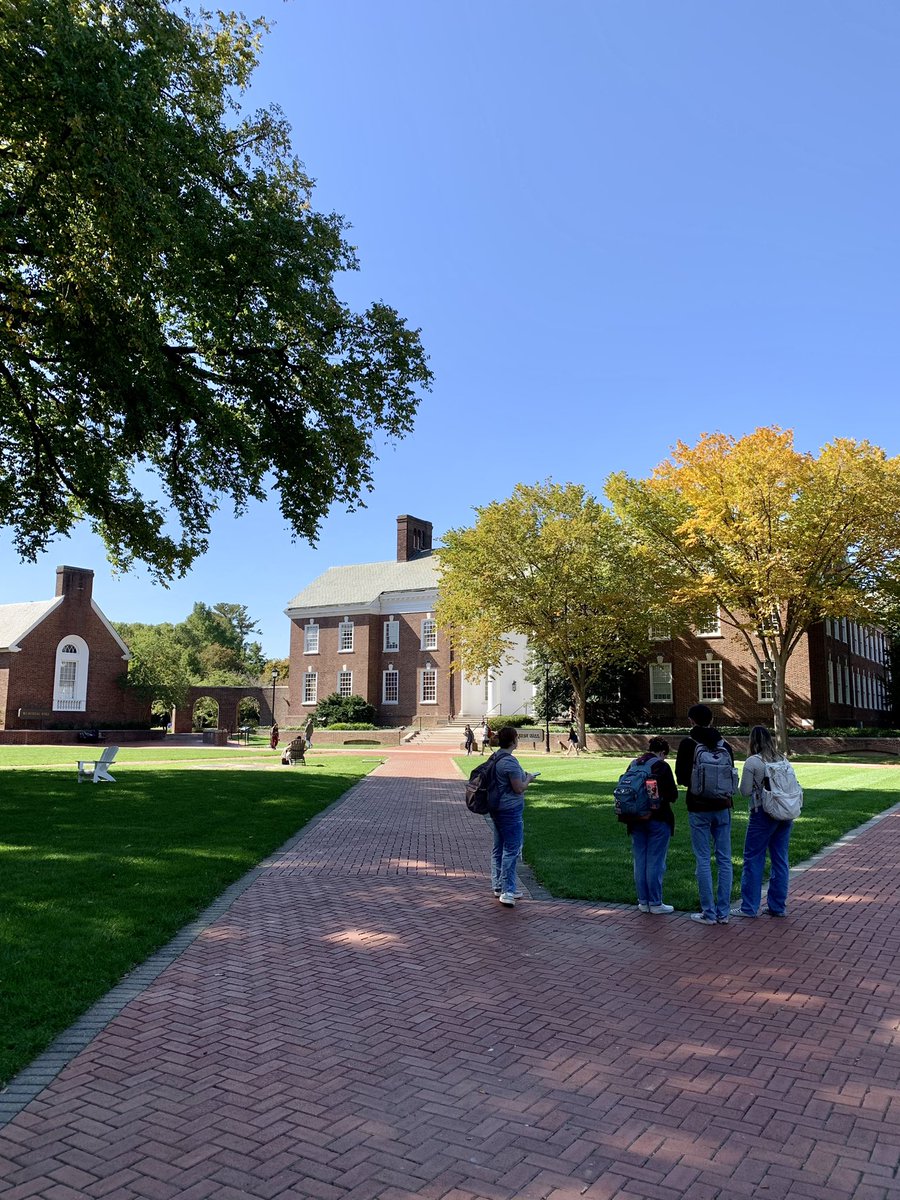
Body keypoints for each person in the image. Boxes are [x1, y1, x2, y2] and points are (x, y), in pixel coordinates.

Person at [675, 703, 735, 925]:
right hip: (722, 806)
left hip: (698, 807)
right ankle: (724, 912)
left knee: (703, 859)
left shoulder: (688, 744)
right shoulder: (725, 745)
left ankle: (708, 913)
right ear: (711, 720)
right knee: (725, 860)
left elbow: (681, 777)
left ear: (691, 720)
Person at [731, 725, 794, 919]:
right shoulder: (781, 759)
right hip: (785, 812)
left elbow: (745, 791)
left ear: (751, 740)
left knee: (753, 858)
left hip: (763, 813)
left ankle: (749, 907)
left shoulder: (753, 762)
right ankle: (777, 906)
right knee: (780, 859)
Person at [619, 736, 678, 914]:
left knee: (640, 860)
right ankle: (655, 902)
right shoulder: (661, 765)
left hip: (634, 818)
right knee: (656, 861)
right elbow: (672, 795)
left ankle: (643, 901)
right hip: (658, 819)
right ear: (662, 752)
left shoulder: (634, 764)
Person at [490, 726, 538, 907]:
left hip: (496, 808)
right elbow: (519, 788)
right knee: (512, 849)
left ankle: (498, 885)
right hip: (510, 810)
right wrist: (529, 779)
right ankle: (507, 891)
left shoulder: (495, 757)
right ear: (513, 740)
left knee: (498, 848)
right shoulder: (509, 761)